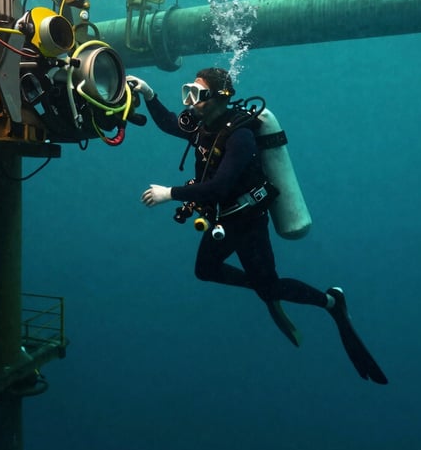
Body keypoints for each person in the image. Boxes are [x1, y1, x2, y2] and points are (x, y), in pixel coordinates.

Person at [128, 67, 387, 384]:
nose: (189, 101)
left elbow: (220, 187)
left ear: (218, 98)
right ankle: (262, 286)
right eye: (188, 92)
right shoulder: (203, 125)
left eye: (197, 94)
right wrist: (149, 93)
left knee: (271, 286)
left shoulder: (241, 136)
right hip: (223, 219)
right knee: (206, 270)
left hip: (247, 223)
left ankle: (332, 302)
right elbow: (170, 123)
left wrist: (170, 193)